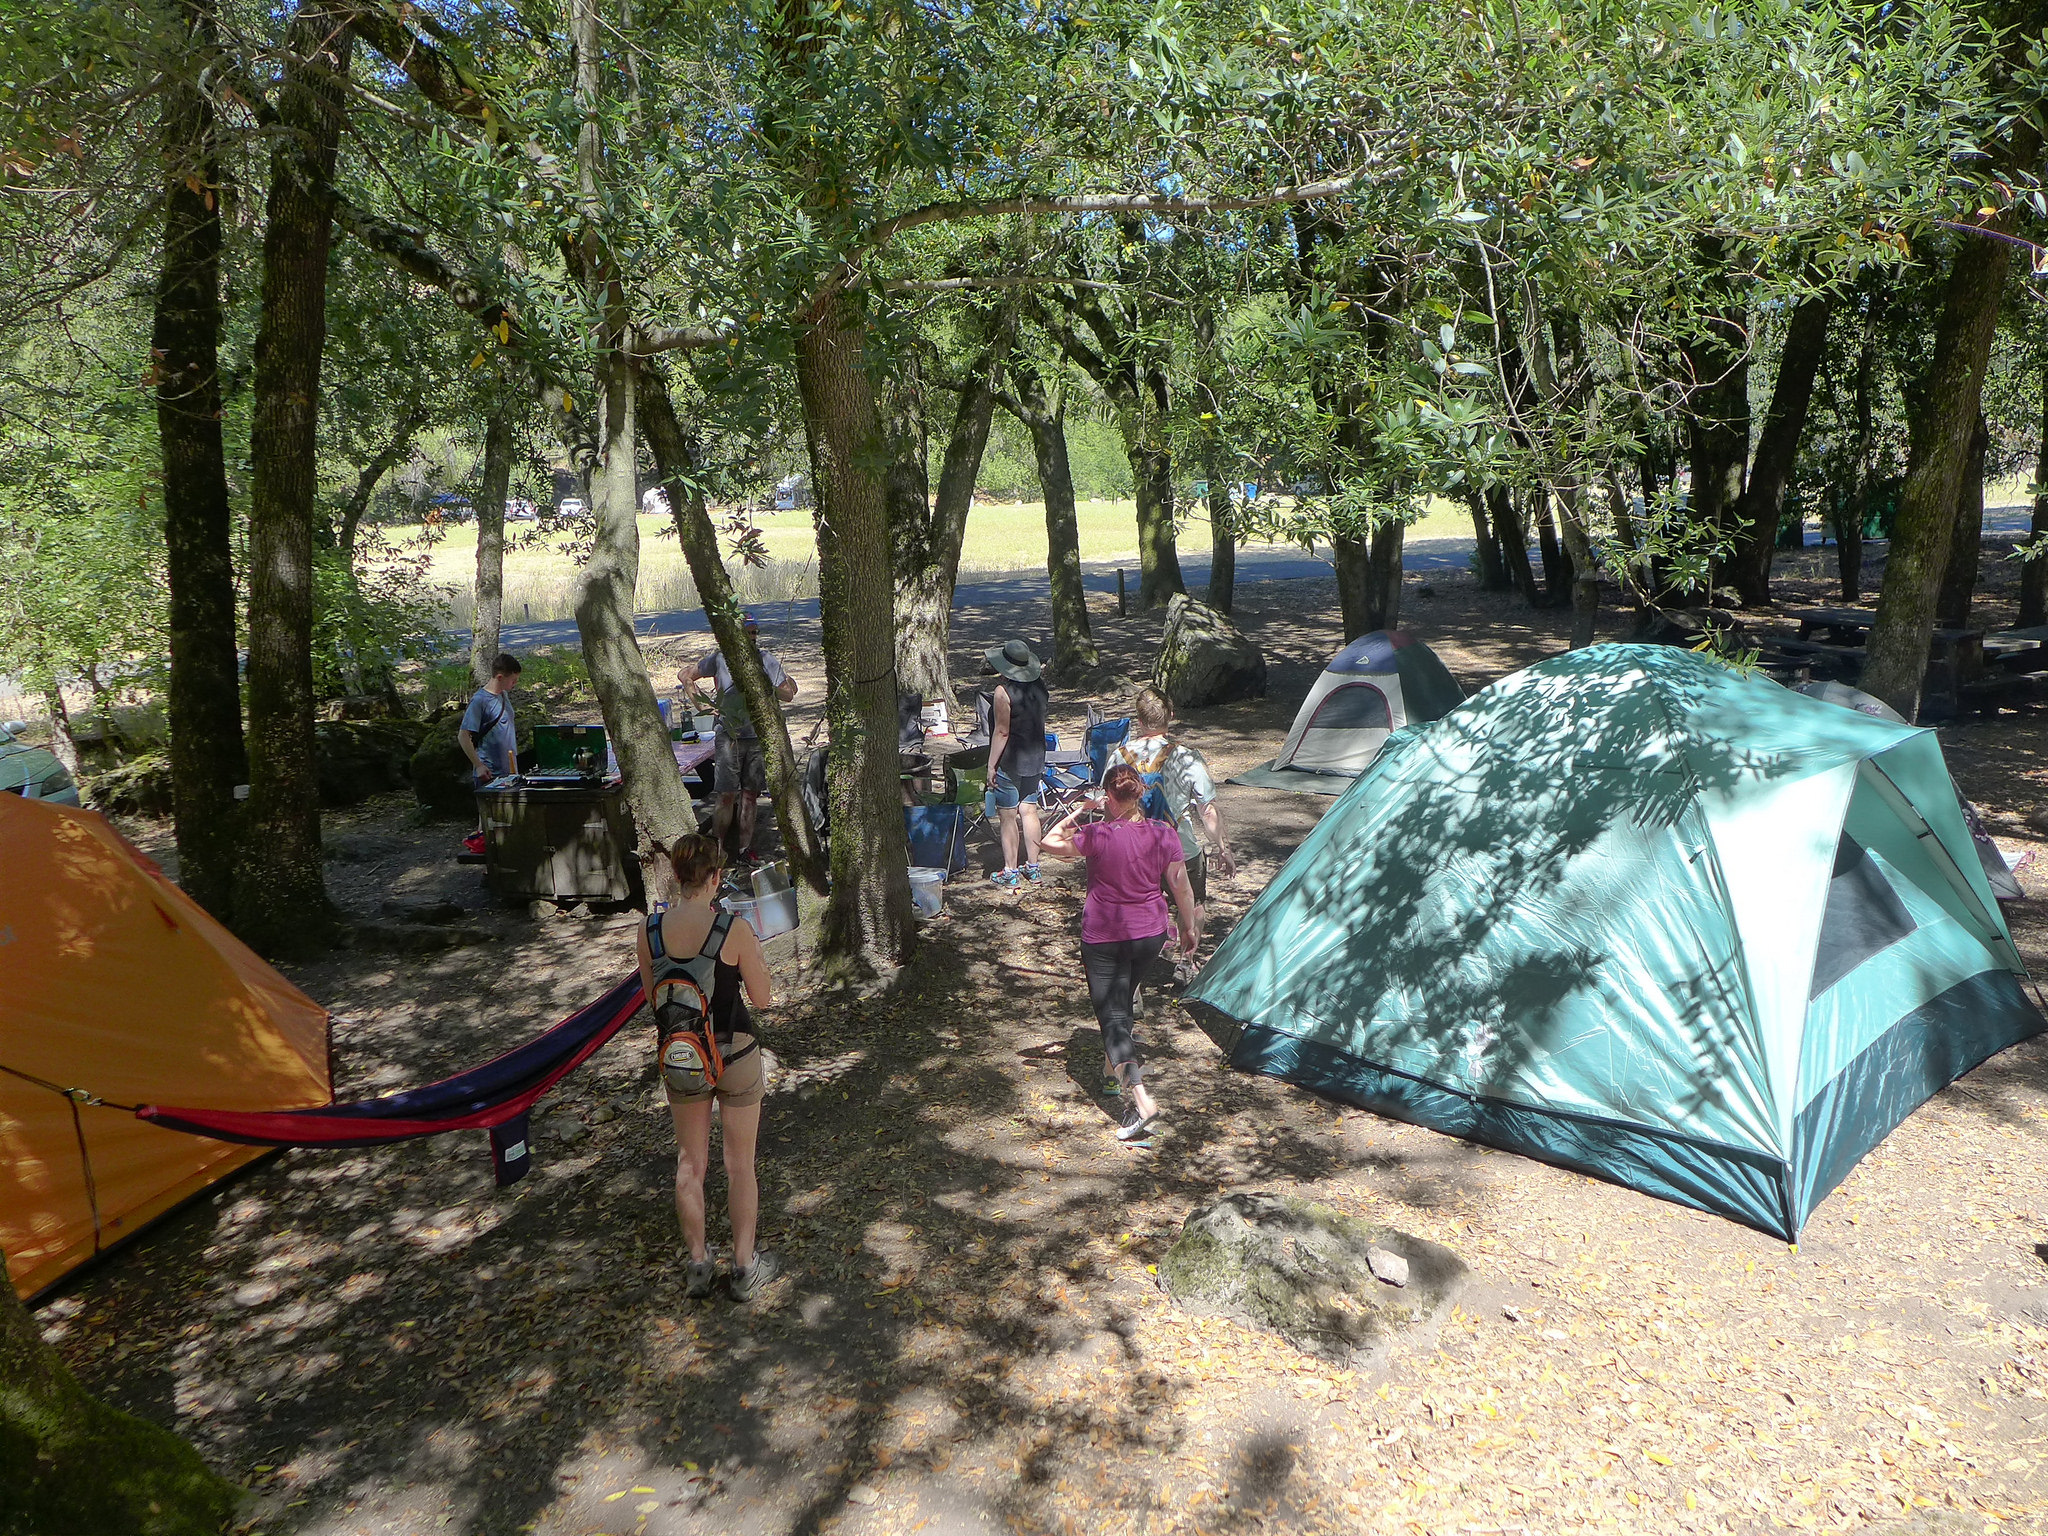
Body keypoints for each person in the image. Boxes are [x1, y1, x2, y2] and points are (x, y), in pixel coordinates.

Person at [634, 834, 779, 1300]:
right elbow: (762, 998)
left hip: (682, 1057)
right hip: (735, 1053)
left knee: (689, 1163)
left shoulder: (649, 931)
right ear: (715, 877)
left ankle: (697, 1264)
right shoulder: (733, 929)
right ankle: (743, 1267)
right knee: (740, 1166)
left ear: (675, 877)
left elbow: (651, 999)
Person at [1040, 763, 1202, 1142]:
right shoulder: (1164, 834)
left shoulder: (1096, 834)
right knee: (1123, 1000)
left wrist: (1081, 810)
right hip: (1149, 935)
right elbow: (1180, 886)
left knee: (1112, 1014)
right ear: (1140, 793)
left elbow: (1049, 842)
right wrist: (1189, 926)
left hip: (1103, 937)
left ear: (1109, 798)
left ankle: (1141, 1101)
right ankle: (1111, 1076)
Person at [1107, 685, 1237, 905]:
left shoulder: (1118, 757)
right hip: (1180, 849)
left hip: (1133, 852)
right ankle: (1190, 938)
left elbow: (1109, 810)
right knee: (1194, 906)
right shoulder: (1187, 758)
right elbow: (1208, 810)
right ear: (1171, 717)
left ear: (1139, 720)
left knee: (1140, 910)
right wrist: (1223, 848)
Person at [690, 614, 798, 863]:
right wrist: (704, 707)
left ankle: (744, 850)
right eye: (747, 632)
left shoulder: (765, 659)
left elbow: (788, 694)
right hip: (728, 737)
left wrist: (763, 682)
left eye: (754, 633)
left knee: (750, 794)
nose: (752, 637)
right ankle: (717, 850)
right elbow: (686, 676)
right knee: (727, 795)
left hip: (756, 737)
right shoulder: (719, 658)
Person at [982, 638, 1049, 889]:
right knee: (1030, 811)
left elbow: (1002, 732)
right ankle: (1033, 867)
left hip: (1010, 760)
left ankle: (1010, 870)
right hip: (1035, 757)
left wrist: (991, 766)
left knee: (1008, 816)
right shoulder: (1040, 687)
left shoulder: (1003, 692)